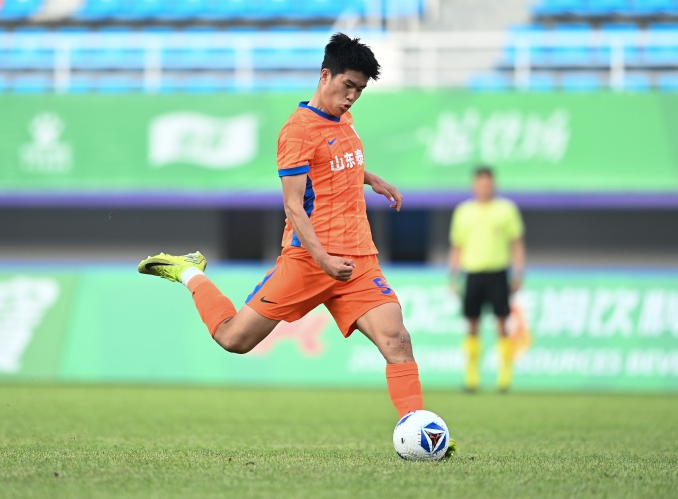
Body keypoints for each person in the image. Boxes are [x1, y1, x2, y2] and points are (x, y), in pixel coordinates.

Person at [138, 33, 454, 456]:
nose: (352, 97)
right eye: (348, 86)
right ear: (325, 76)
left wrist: (371, 179)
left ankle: (420, 435)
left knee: (397, 340)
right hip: (308, 259)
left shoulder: (344, 120)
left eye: (360, 90)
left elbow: (334, 164)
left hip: (358, 259)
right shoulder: (297, 131)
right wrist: (322, 258)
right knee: (234, 339)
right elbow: (293, 205)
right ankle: (189, 271)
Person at [448, 166, 525, 392]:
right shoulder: (463, 211)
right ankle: (471, 378)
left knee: (502, 323)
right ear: (474, 185)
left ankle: (505, 377)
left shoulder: (506, 210)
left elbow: (516, 243)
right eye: (481, 184)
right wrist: (453, 277)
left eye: (488, 184)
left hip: (498, 273)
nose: (485, 188)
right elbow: (457, 246)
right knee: (472, 324)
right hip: (473, 273)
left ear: (494, 185)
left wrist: (518, 273)